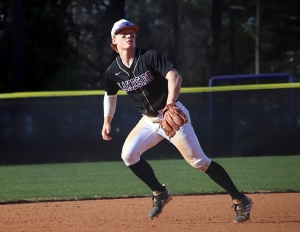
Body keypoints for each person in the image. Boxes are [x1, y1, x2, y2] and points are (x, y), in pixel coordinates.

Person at [101, 19, 253, 223]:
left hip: (172, 115)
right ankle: (160, 193)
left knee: (199, 162)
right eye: (123, 33)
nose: (129, 35)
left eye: (132, 33)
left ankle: (241, 199)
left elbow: (174, 76)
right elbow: (110, 96)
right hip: (148, 121)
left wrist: (171, 103)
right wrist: (107, 121)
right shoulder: (113, 71)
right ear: (114, 41)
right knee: (128, 155)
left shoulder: (149, 56)